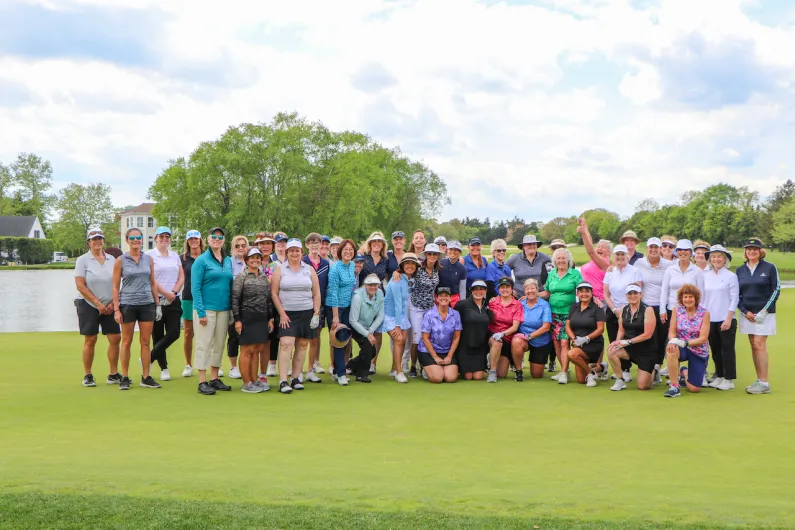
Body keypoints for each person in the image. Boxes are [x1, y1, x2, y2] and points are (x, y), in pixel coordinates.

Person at [270, 238, 322, 394]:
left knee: (302, 345)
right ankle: (283, 380)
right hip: (287, 312)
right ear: (287, 252)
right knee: (286, 343)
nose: (294, 253)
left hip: (306, 311)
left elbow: (316, 292)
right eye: (291, 250)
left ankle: (295, 378)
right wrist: (282, 314)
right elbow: (274, 292)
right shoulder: (280, 269)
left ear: (301, 252)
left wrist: (316, 312)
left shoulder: (309, 269)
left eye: (297, 250)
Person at [112, 227, 160, 390]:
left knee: (146, 342)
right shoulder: (121, 260)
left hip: (147, 303)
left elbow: (153, 282)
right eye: (132, 238)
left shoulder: (148, 259)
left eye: (138, 237)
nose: (136, 240)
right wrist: (117, 309)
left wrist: (157, 304)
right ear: (127, 240)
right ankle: (124, 377)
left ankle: (146, 377)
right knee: (126, 341)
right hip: (128, 304)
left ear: (142, 239)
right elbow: (115, 286)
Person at [74, 228, 121, 387]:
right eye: (94, 239)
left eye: (100, 239)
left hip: (110, 305)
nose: (97, 242)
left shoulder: (112, 259)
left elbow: (117, 283)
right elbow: (80, 285)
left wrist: (113, 303)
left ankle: (113, 374)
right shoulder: (83, 260)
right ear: (88, 242)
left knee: (115, 338)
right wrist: (98, 304)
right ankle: (88, 374)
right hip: (88, 304)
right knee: (91, 339)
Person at [191, 227, 234, 395]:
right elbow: (195, 288)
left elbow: (230, 285)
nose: (217, 239)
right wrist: (200, 312)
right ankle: (202, 381)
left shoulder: (228, 260)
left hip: (223, 309)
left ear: (224, 240)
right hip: (206, 309)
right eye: (214, 237)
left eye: (220, 237)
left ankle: (214, 378)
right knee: (204, 344)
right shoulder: (201, 261)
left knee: (219, 344)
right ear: (208, 239)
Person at [736, 238, 779, 395]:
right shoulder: (740, 270)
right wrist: (744, 311)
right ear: (745, 251)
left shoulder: (769, 268)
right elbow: (737, 294)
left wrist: (764, 311)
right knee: (753, 345)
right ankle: (759, 379)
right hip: (747, 314)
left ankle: (764, 382)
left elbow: (776, 290)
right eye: (749, 249)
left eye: (755, 249)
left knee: (759, 344)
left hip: (764, 314)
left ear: (761, 251)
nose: (752, 251)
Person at [232, 247, 274, 393]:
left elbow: (268, 299)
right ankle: (246, 383)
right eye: (252, 257)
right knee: (247, 350)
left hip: (261, 318)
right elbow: (235, 299)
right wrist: (237, 320)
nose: (255, 260)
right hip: (246, 317)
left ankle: (254, 380)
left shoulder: (263, 277)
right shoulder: (241, 277)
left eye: (258, 257)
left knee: (257, 350)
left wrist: (270, 318)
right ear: (246, 260)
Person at [147, 227, 184, 382]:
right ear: (156, 238)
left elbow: (182, 276)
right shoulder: (149, 255)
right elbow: (151, 279)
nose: (164, 239)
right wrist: (166, 293)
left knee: (174, 333)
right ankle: (164, 368)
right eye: (161, 236)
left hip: (173, 299)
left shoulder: (175, 256)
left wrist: (173, 292)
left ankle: (149, 357)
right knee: (157, 335)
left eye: (167, 237)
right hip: (156, 300)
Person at [540, 247, 583, 382]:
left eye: (564, 258)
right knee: (557, 343)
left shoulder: (575, 274)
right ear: (555, 261)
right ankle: (565, 369)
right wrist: (532, 296)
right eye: (558, 258)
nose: (561, 261)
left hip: (569, 314)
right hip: (553, 313)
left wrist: (595, 300)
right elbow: (547, 292)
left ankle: (563, 372)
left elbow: (583, 292)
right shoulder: (552, 274)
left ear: (568, 260)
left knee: (565, 342)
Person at [634, 237, 673, 382]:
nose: (653, 250)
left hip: (663, 307)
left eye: (656, 247)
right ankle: (649, 367)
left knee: (662, 338)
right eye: (651, 247)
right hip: (646, 307)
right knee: (649, 338)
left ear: (660, 249)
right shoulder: (639, 263)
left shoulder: (668, 265)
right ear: (647, 248)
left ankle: (657, 366)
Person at [603, 244, 643, 380]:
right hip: (613, 310)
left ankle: (627, 369)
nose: (620, 257)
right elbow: (606, 295)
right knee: (615, 339)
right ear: (614, 256)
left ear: (627, 256)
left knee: (628, 339)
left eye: (622, 255)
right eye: (617, 255)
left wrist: (626, 311)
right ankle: (620, 369)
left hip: (631, 311)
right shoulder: (610, 272)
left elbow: (638, 292)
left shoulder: (634, 271)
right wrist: (615, 310)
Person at [702, 244, 739, 391]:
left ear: (725, 260)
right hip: (710, 319)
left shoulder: (731, 276)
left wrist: (729, 318)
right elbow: (703, 298)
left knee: (727, 349)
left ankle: (729, 379)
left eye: (719, 257)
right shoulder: (705, 276)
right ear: (710, 259)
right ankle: (720, 376)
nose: (716, 259)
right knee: (715, 349)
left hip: (725, 318)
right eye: (714, 257)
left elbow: (734, 299)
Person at [663, 284, 711, 398]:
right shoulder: (677, 310)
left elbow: (703, 338)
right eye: (685, 297)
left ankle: (684, 372)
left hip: (698, 351)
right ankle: (675, 386)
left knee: (694, 389)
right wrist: (672, 341)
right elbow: (672, 331)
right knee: (671, 349)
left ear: (696, 298)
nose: (688, 300)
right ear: (681, 298)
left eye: (690, 297)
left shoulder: (704, 313)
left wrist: (686, 343)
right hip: (681, 347)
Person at [607, 284, 657, 390]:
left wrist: (628, 342)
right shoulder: (624, 309)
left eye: (635, 293)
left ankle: (654, 370)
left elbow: (648, 334)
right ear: (626, 295)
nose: (632, 296)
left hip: (646, 350)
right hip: (630, 348)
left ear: (640, 295)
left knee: (643, 386)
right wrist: (617, 342)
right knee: (611, 350)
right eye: (630, 293)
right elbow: (621, 329)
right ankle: (620, 380)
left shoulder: (648, 310)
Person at [660, 240, 705, 350]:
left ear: (690, 253)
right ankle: (672, 366)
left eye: (686, 250)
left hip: (691, 312)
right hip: (672, 310)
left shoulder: (697, 271)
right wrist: (662, 310)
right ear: (677, 252)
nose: (683, 252)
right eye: (680, 250)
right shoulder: (670, 270)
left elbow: (701, 294)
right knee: (672, 340)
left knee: (690, 341)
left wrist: (699, 314)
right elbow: (664, 290)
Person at [406, 243, 441, 378]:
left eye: (435, 254)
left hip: (430, 307)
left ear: (438, 256)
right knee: (417, 338)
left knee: (430, 337)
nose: (432, 256)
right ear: (425, 255)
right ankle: (413, 366)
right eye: (429, 253)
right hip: (416, 307)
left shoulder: (437, 269)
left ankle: (425, 365)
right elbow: (405, 270)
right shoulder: (418, 268)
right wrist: (397, 272)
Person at [383, 253, 419, 384]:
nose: (410, 266)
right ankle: (399, 372)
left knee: (403, 341)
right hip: (389, 315)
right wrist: (397, 326)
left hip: (402, 315)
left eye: (412, 264)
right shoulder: (396, 280)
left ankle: (394, 369)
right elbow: (398, 304)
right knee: (399, 340)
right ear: (402, 266)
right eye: (407, 263)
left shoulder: (411, 280)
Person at [326, 239, 358, 385]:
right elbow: (333, 293)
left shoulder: (351, 265)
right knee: (339, 340)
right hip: (335, 308)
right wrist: (335, 317)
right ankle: (341, 373)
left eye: (351, 250)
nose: (348, 252)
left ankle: (337, 369)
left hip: (348, 307)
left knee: (345, 340)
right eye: (345, 249)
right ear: (340, 251)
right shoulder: (335, 269)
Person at [565, 282, 607, 386]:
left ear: (591, 293)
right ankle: (601, 368)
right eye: (581, 291)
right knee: (581, 380)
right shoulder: (574, 307)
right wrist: (574, 339)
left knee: (571, 354)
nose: (584, 294)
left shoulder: (597, 308)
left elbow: (600, 329)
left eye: (587, 291)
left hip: (593, 343)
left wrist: (585, 339)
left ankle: (591, 373)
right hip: (578, 343)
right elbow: (567, 326)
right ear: (577, 294)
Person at [511, 278, 552, 380]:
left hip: (540, 340)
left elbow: (546, 327)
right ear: (524, 291)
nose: (530, 291)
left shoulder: (545, 305)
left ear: (537, 290)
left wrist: (529, 336)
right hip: (523, 339)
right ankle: (518, 371)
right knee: (516, 341)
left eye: (532, 288)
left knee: (536, 374)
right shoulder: (520, 304)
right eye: (527, 289)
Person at [359, 232, 389, 374]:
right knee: (359, 328)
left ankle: (373, 362)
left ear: (383, 244)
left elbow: (394, 271)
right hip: (363, 296)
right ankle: (358, 360)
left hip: (379, 296)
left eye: (379, 241)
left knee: (377, 330)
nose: (377, 243)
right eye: (374, 241)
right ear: (370, 243)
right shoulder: (363, 257)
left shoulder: (385, 259)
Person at [419, 286, 462, 383]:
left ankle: (437, 368)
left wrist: (449, 356)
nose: (443, 298)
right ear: (437, 298)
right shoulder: (429, 314)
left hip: (446, 351)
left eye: (446, 296)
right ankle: (426, 368)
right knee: (437, 378)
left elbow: (456, 338)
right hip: (429, 351)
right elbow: (425, 338)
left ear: (450, 298)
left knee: (450, 378)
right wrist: (435, 357)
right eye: (440, 296)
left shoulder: (456, 314)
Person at [347, 274, 385, 383]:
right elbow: (353, 320)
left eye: (375, 285)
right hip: (355, 326)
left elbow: (381, 315)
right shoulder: (358, 296)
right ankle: (361, 374)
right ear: (365, 285)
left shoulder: (380, 293)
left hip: (369, 327)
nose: (373, 287)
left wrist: (370, 331)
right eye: (370, 285)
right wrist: (367, 334)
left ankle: (351, 365)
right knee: (368, 348)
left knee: (372, 352)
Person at [486, 277, 524, 383]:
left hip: (507, 337)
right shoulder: (493, 303)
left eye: (507, 287)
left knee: (502, 374)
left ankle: (493, 359)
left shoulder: (517, 305)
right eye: (502, 287)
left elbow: (515, 326)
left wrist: (503, 333)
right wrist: (496, 334)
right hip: (493, 335)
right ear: (499, 289)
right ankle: (492, 371)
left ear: (512, 289)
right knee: (497, 342)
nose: (505, 289)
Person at [303, 232, 329, 382]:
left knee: (315, 337)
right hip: (303, 304)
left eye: (317, 242)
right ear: (307, 245)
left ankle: (311, 370)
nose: (314, 245)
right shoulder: (302, 261)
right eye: (311, 242)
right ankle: (297, 370)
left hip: (320, 306)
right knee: (300, 339)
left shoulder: (325, 264)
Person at [456, 280, 492, 380]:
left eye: (481, 289)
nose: (478, 292)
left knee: (478, 377)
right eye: (475, 289)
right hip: (464, 347)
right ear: (471, 291)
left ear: (485, 291)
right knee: (468, 377)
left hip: (480, 348)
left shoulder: (487, 307)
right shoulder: (462, 305)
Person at [180, 229, 204, 378]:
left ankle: (211, 363)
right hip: (188, 297)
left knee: (208, 331)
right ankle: (188, 364)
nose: (194, 241)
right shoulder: (182, 258)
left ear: (201, 240)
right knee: (189, 332)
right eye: (191, 239)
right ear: (187, 241)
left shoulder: (208, 257)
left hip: (206, 297)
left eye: (196, 239)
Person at [225, 235, 249, 379]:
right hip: (233, 303)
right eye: (237, 246)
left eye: (243, 245)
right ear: (233, 247)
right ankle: (233, 367)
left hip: (249, 304)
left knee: (247, 336)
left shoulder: (252, 260)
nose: (240, 248)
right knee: (233, 335)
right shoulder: (228, 262)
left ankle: (245, 365)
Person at [576, 217, 611, 305]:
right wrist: (584, 225)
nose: (599, 248)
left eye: (603, 247)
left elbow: (590, 250)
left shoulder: (605, 263)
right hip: (585, 297)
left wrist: (583, 233)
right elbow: (590, 242)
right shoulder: (593, 261)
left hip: (599, 301)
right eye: (598, 246)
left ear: (609, 252)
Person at [506, 235, 550, 299]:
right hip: (519, 298)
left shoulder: (545, 258)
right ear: (523, 246)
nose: (532, 246)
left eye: (534, 244)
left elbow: (553, 274)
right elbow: (503, 271)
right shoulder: (514, 259)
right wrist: (509, 288)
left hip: (539, 298)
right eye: (529, 244)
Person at [438, 240, 467, 307]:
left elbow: (462, 288)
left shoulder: (462, 268)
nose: (453, 252)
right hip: (439, 297)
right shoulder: (439, 263)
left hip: (454, 298)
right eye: (451, 249)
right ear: (447, 250)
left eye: (456, 250)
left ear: (460, 252)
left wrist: (462, 304)